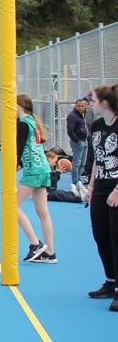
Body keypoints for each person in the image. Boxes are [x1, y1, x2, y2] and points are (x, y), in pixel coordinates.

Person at [85, 84, 118, 310]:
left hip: (116, 188)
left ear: (104, 103)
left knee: (116, 237)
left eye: (93, 100)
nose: (90, 103)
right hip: (101, 187)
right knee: (100, 234)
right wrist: (91, 184)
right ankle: (110, 281)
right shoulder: (96, 126)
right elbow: (98, 157)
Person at [15, 93, 56, 264]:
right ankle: (50, 253)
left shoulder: (24, 124)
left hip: (34, 170)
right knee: (42, 212)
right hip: (42, 168)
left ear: (21, 107)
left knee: (11, 206)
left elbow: (20, 149)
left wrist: (13, 169)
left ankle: (35, 243)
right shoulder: (32, 122)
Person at [66, 99, 88, 193]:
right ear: (75, 106)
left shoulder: (82, 115)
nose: (80, 107)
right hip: (78, 142)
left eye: (82, 106)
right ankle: (75, 181)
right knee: (77, 162)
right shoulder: (72, 116)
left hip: (85, 141)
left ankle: (79, 179)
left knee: (83, 162)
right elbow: (70, 130)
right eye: (79, 106)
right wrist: (77, 140)